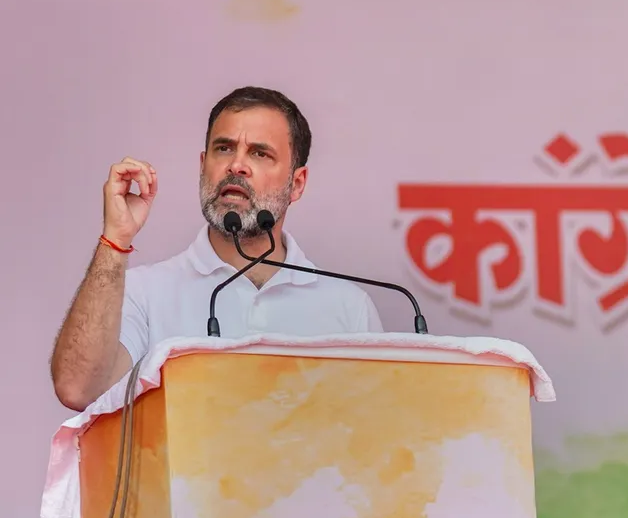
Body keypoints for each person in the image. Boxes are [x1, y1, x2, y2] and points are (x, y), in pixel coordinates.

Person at [49, 86, 383, 412]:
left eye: (259, 153)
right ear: (202, 164)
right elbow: (79, 389)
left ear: (297, 184)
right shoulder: (143, 292)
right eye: (223, 149)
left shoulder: (348, 308)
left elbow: (375, 440)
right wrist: (116, 239)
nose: (236, 166)